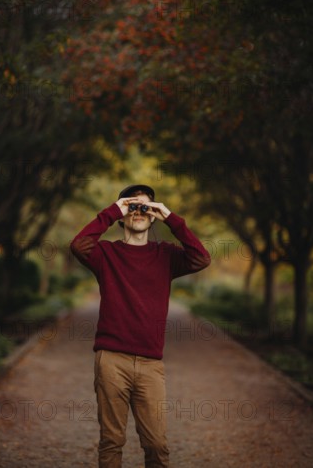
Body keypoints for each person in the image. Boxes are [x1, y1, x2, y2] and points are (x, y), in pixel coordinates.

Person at [70, 184, 211, 468]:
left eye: (145, 207)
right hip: (111, 360)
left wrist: (170, 217)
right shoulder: (105, 254)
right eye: (132, 206)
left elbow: (201, 258)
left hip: (150, 365)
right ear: (123, 215)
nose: (138, 212)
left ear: (153, 215)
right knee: (111, 442)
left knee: (157, 445)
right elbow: (78, 245)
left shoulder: (166, 256)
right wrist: (112, 210)